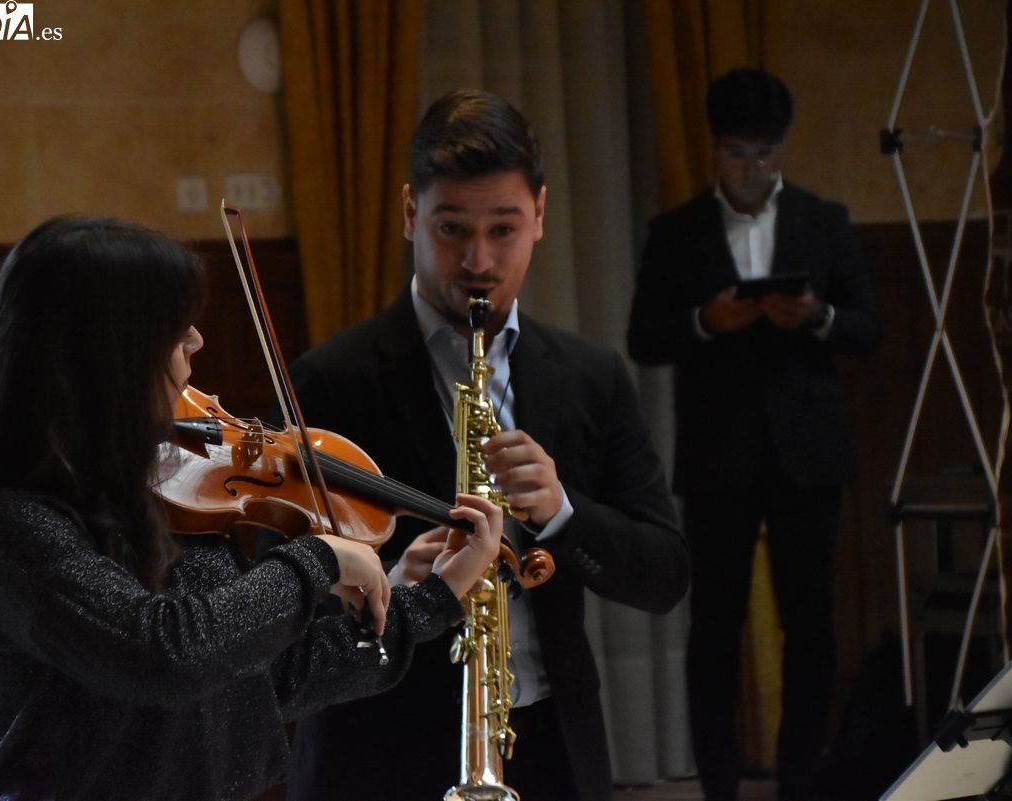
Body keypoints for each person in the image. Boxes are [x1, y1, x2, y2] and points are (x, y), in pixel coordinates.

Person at [0, 215, 506, 801]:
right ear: (108, 352)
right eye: (173, 326)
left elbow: (263, 676)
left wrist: (433, 597)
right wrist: (318, 559)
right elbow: (164, 653)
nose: (195, 340)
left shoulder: (156, 490)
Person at [282, 88, 690, 801]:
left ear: (541, 214)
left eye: (504, 228)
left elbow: (664, 576)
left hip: (550, 745)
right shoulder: (330, 380)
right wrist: (383, 582)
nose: (479, 260)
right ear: (410, 213)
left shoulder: (592, 377)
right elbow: (275, 601)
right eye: (451, 228)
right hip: (381, 752)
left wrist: (563, 513)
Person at [627, 68, 882, 801]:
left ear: (782, 149)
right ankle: (718, 785)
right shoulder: (677, 232)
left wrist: (818, 317)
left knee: (812, 625)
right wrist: (708, 321)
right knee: (714, 626)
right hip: (718, 452)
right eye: (738, 153)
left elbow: (869, 329)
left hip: (808, 450)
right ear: (716, 148)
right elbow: (644, 337)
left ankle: (800, 780)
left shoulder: (822, 219)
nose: (752, 167)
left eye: (765, 153)